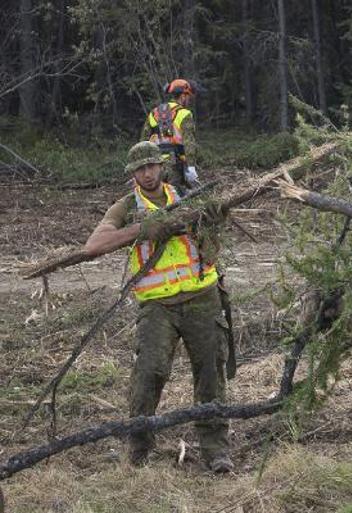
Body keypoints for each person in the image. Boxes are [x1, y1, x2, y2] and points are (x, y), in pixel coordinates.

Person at [84, 141, 232, 473]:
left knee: (210, 373)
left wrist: (215, 220)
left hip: (202, 296)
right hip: (157, 306)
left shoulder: (188, 194)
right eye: (140, 168)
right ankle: (138, 449)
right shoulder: (125, 207)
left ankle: (215, 450)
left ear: (161, 166)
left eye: (152, 166)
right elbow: (93, 245)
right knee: (149, 374)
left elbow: (217, 222)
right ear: (132, 173)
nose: (147, 173)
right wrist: (141, 229)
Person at [141, 78, 201, 193]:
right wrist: (191, 167)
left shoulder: (154, 113)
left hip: (155, 166)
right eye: (188, 96)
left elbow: (143, 142)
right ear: (183, 96)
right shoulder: (185, 114)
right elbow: (189, 143)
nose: (189, 100)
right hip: (175, 166)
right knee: (178, 198)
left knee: (158, 198)